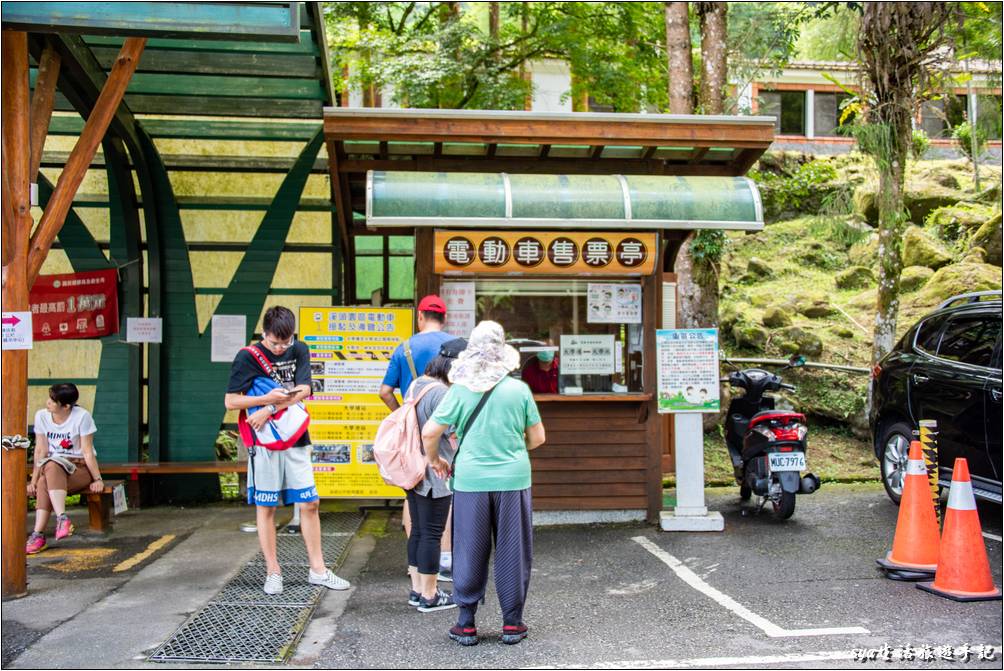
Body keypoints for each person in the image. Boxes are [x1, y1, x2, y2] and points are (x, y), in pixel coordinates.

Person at [422, 321, 546, 647]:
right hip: (513, 480)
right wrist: (512, 450)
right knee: (512, 550)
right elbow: (538, 438)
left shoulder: (460, 391)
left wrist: (436, 461)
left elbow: (429, 433)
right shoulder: (518, 391)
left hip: (470, 482)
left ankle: (466, 623)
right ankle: (512, 624)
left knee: (469, 548)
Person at [225, 306, 349, 595]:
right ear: (264, 334)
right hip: (263, 441)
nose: (281, 348)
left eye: (286, 342)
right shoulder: (247, 357)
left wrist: (268, 407)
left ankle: (318, 569)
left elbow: (305, 389)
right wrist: (270, 398)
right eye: (275, 342)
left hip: (295, 435)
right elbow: (231, 401)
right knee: (266, 505)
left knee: (310, 502)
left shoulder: (299, 349)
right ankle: (273, 572)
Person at [378, 294, 455, 574]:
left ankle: (417, 570)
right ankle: (443, 560)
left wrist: (405, 415)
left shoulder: (405, 348)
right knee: (442, 496)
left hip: (412, 438)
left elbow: (385, 392)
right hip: (444, 435)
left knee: (413, 495)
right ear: (444, 319)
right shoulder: (452, 346)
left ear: (420, 317)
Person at [405, 337, 467, 612]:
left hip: (413, 467)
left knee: (418, 530)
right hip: (434, 471)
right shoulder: (443, 393)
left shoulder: (419, 383)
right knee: (432, 532)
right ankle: (431, 595)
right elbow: (451, 431)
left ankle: (418, 589)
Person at [25, 383, 105, 554]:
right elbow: (41, 450)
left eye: (53, 400)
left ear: (66, 406)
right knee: (45, 475)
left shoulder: (82, 417)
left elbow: (87, 451)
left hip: (78, 467)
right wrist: (33, 480)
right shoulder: (42, 416)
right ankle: (54, 524)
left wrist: (97, 478)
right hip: (51, 468)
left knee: (49, 469)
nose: (48, 402)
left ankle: (40, 534)